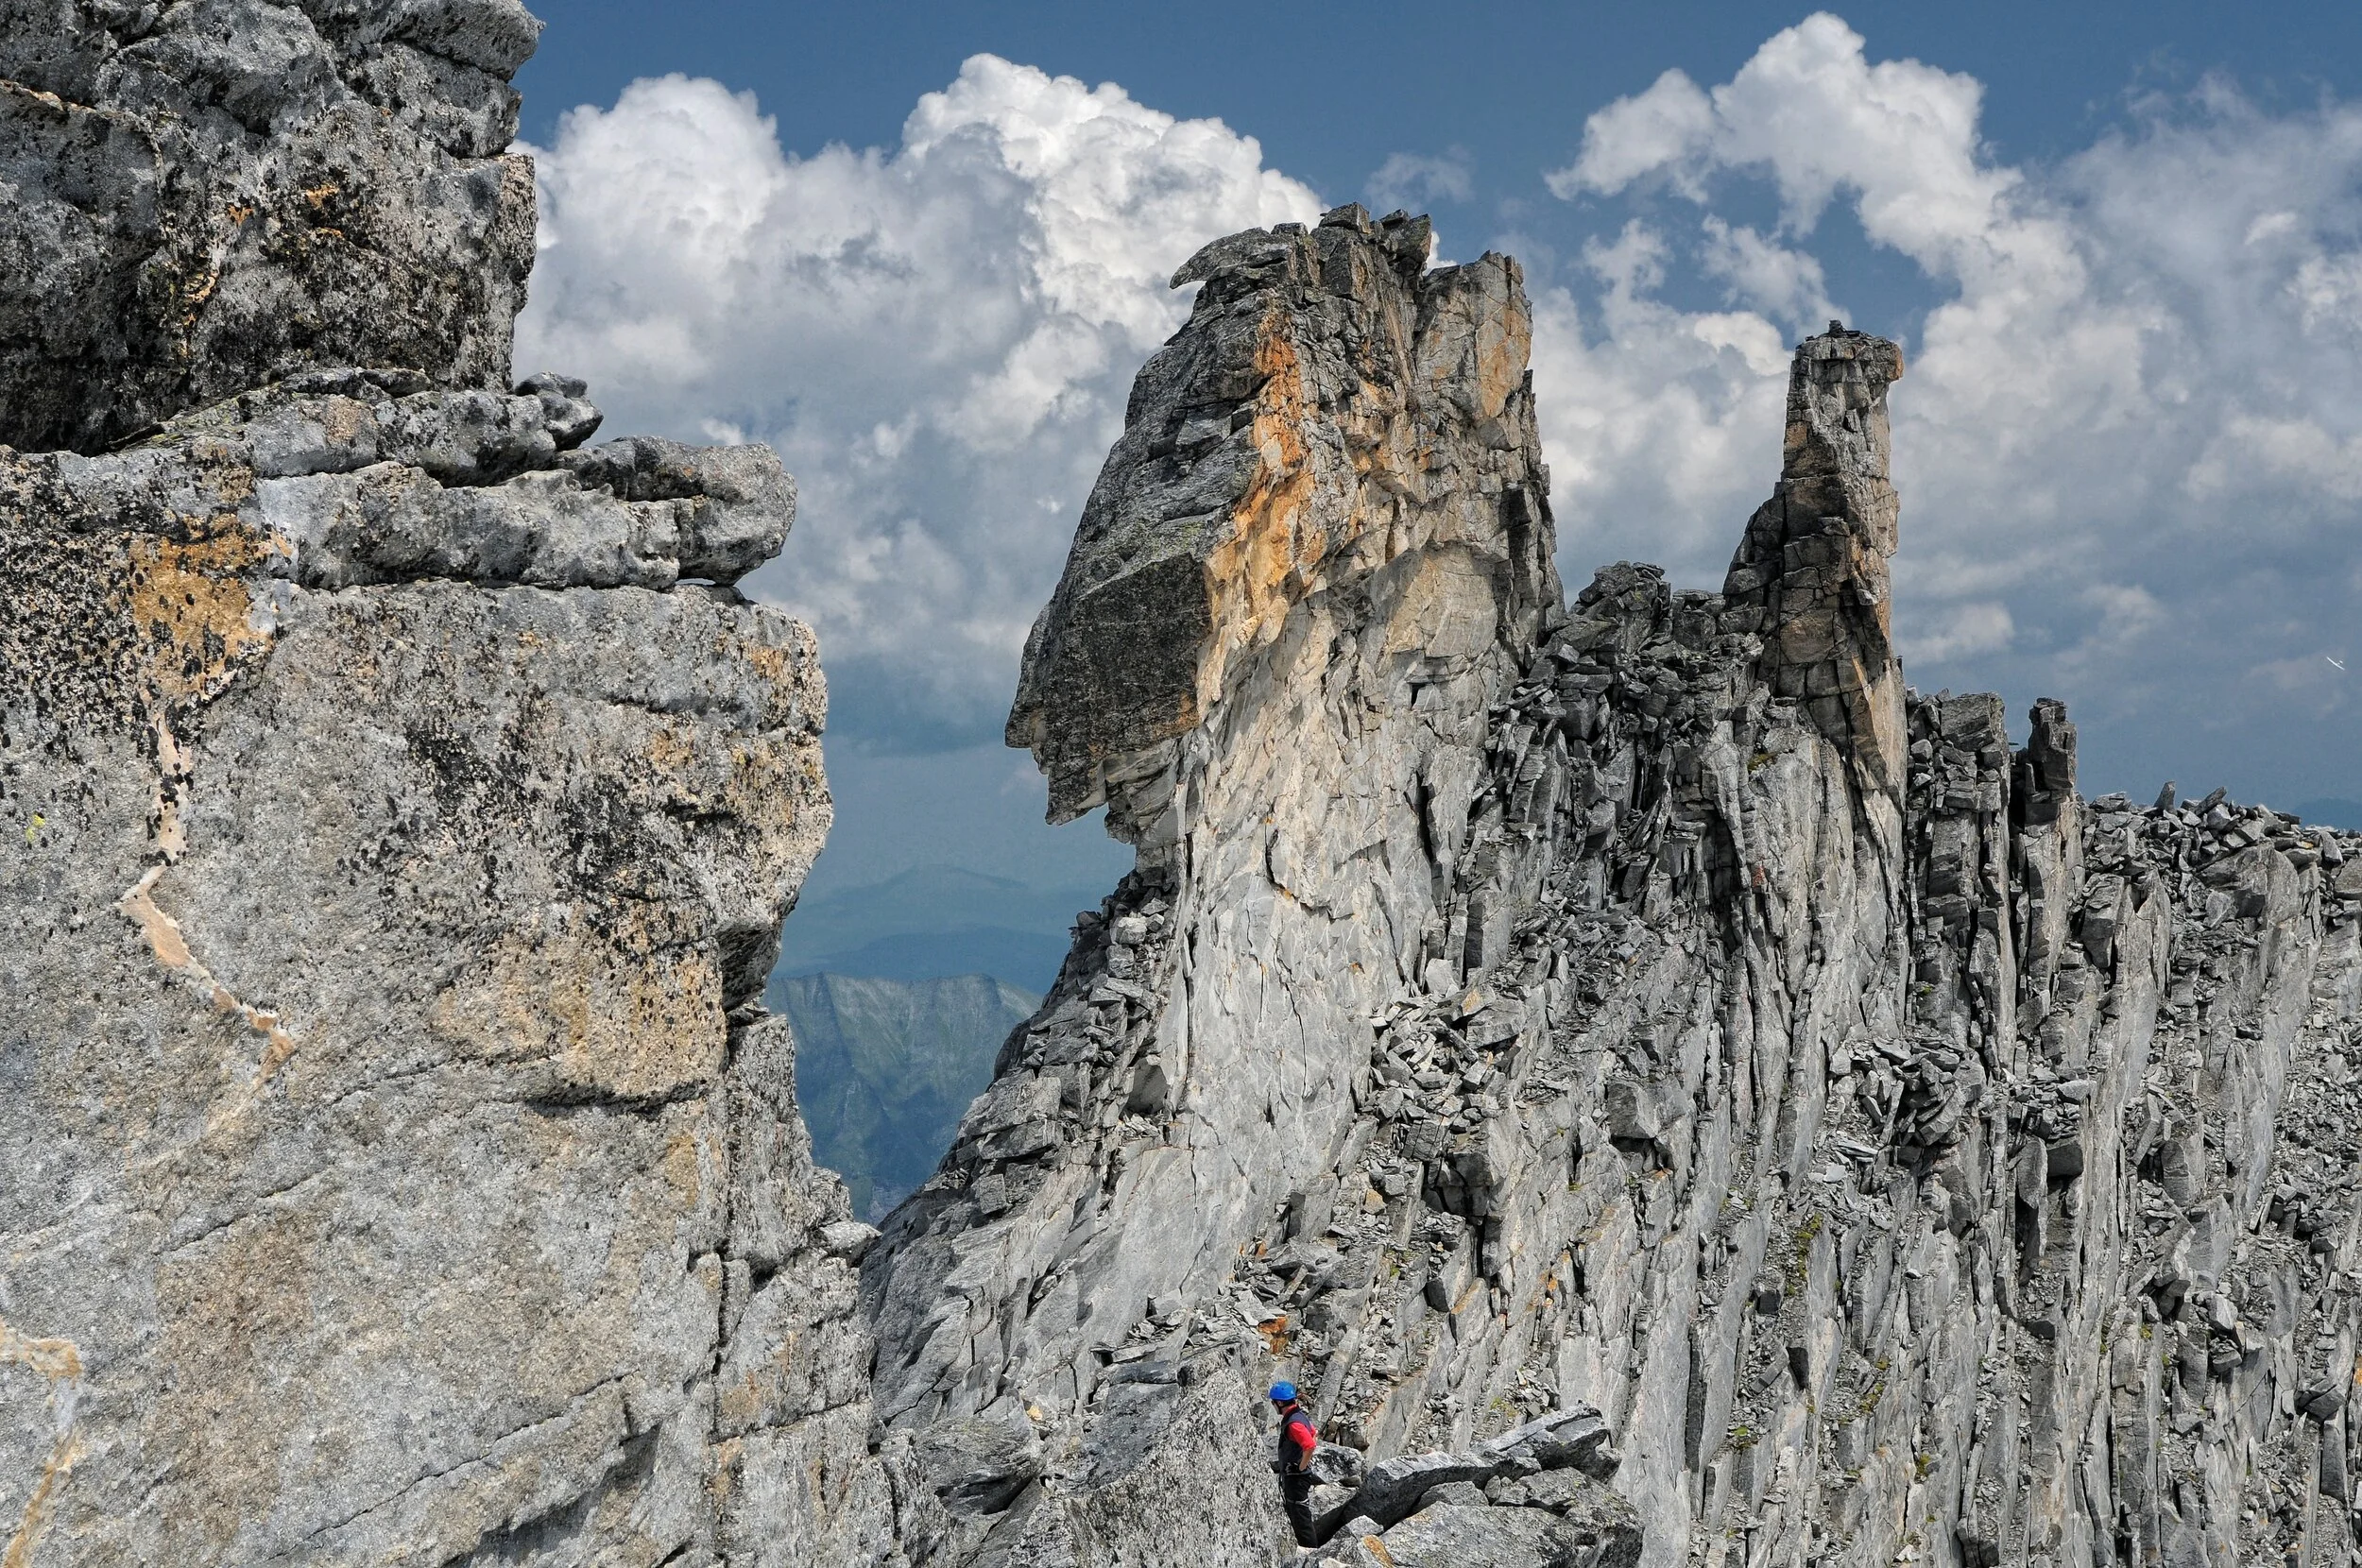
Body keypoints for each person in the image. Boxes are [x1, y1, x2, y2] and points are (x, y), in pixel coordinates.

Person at [1270, 1381, 1319, 1545]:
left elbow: (1310, 1445)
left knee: (1300, 1515)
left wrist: (1300, 1467)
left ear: (1280, 1403)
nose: (1273, 1405)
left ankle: (1311, 1551)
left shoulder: (1294, 1424)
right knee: (1298, 1511)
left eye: (1273, 1402)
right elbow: (1314, 1433)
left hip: (1296, 1478)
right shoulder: (1297, 1415)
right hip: (1296, 1476)